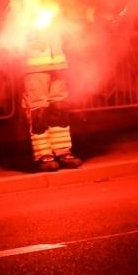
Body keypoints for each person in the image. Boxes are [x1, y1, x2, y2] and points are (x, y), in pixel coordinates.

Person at [21, 15, 81, 172]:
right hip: (35, 68)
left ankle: (63, 151)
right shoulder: (19, 3)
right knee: (38, 110)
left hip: (58, 65)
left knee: (59, 107)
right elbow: (14, 33)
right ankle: (44, 154)